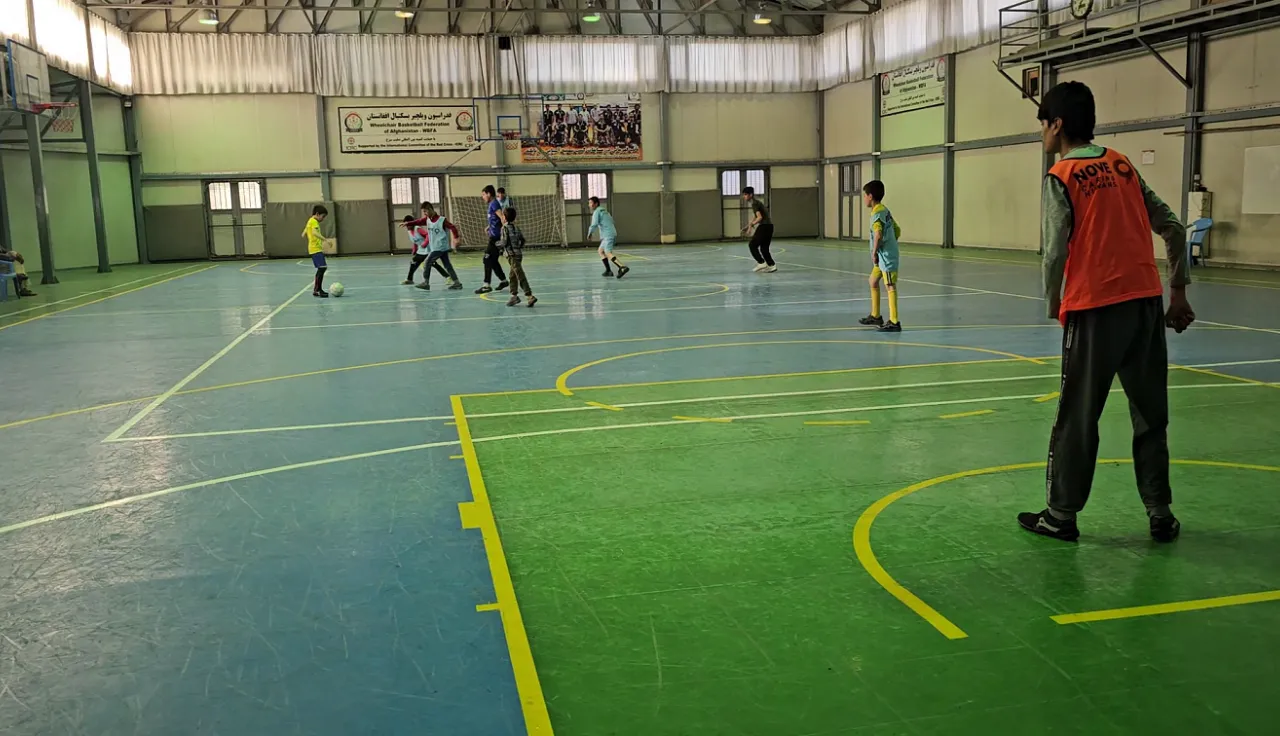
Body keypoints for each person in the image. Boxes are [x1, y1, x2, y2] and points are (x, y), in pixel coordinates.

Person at [1020, 81, 1194, 544]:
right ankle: (1160, 513)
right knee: (1150, 414)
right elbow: (1174, 228)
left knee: (1078, 417)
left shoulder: (1060, 176)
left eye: (1042, 123)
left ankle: (1061, 515)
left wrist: (1053, 302)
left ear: (1056, 125)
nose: (1041, 132)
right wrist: (1176, 293)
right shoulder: (1122, 165)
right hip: (1144, 305)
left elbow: (1054, 252)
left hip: (1094, 309)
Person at [857, 180, 903, 332]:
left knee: (890, 285)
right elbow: (897, 230)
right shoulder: (884, 210)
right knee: (873, 281)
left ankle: (894, 321)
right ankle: (876, 315)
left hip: (886, 257)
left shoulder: (877, 214)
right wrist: (891, 242)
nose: (864, 198)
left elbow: (878, 234)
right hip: (883, 257)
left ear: (870, 196)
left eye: (864, 196)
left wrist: (875, 252)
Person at [414, 202, 463, 291]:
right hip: (438, 247)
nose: (424, 214)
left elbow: (452, 227)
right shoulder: (428, 219)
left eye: (425, 211)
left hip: (439, 247)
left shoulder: (442, 220)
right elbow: (418, 221)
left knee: (427, 262)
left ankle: (426, 282)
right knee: (447, 265)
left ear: (430, 209)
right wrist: (408, 223)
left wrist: (456, 237)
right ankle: (457, 283)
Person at [400, 213, 454, 287]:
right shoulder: (409, 231)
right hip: (421, 250)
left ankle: (448, 277)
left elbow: (427, 235)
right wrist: (415, 249)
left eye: (408, 224)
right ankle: (410, 279)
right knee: (414, 263)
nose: (407, 226)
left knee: (432, 264)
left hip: (428, 249)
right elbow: (415, 241)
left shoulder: (418, 229)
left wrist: (425, 243)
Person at [499, 207, 537, 308]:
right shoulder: (516, 227)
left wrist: (496, 244)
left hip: (512, 256)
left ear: (505, 218)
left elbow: (504, 242)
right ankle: (514, 296)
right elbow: (522, 240)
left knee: (520, 275)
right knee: (513, 275)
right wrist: (518, 247)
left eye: (502, 215)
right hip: (518, 254)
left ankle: (529, 295)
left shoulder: (504, 228)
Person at [475, 185, 508, 294]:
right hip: (493, 235)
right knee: (493, 260)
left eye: (484, 194)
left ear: (489, 194)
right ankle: (503, 280)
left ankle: (486, 285)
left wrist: (506, 231)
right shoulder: (491, 204)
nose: (483, 197)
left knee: (487, 258)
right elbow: (495, 219)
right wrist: (489, 226)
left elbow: (502, 217)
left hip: (496, 237)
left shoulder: (494, 203)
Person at [589, 196, 628, 279]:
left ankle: (622, 267)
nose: (589, 205)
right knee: (600, 251)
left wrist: (590, 233)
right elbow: (612, 221)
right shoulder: (604, 211)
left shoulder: (597, 212)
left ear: (596, 204)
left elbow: (594, 224)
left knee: (608, 252)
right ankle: (608, 271)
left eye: (591, 203)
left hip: (608, 235)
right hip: (610, 233)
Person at [741, 186, 775, 273]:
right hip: (769, 226)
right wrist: (748, 227)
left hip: (764, 226)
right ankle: (771, 265)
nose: (744, 196)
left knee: (752, 245)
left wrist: (752, 224)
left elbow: (759, 218)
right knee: (764, 248)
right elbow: (756, 217)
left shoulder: (754, 204)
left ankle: (761, 262)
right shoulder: (756, 203)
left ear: (750, 195)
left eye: (745, 194)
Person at [303, 205, 330, 298]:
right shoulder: (314, 221)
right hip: (315, 249)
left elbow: (307, 228)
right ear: (317, 214)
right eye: (323, 216)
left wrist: (304, 233)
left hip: (315, 248)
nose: (323, 219)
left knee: (322, 268)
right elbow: (314, 232)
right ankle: (317, 290)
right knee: (322, 268)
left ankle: (317, 290)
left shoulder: (310, 220)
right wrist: (325, 240)